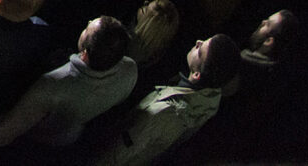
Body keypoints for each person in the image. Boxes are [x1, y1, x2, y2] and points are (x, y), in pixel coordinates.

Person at [0, 16, 137, 148]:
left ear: (85, 53)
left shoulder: (54, 84)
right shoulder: (130, 69)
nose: (88, 22)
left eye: (87, 29)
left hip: (42, 142)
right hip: (72, 137)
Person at [99, 34, 239, 166]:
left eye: (200, 51)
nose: (198, 42)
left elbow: (117, 155)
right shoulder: (211, 96)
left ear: (197, 75)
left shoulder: (165, 113)